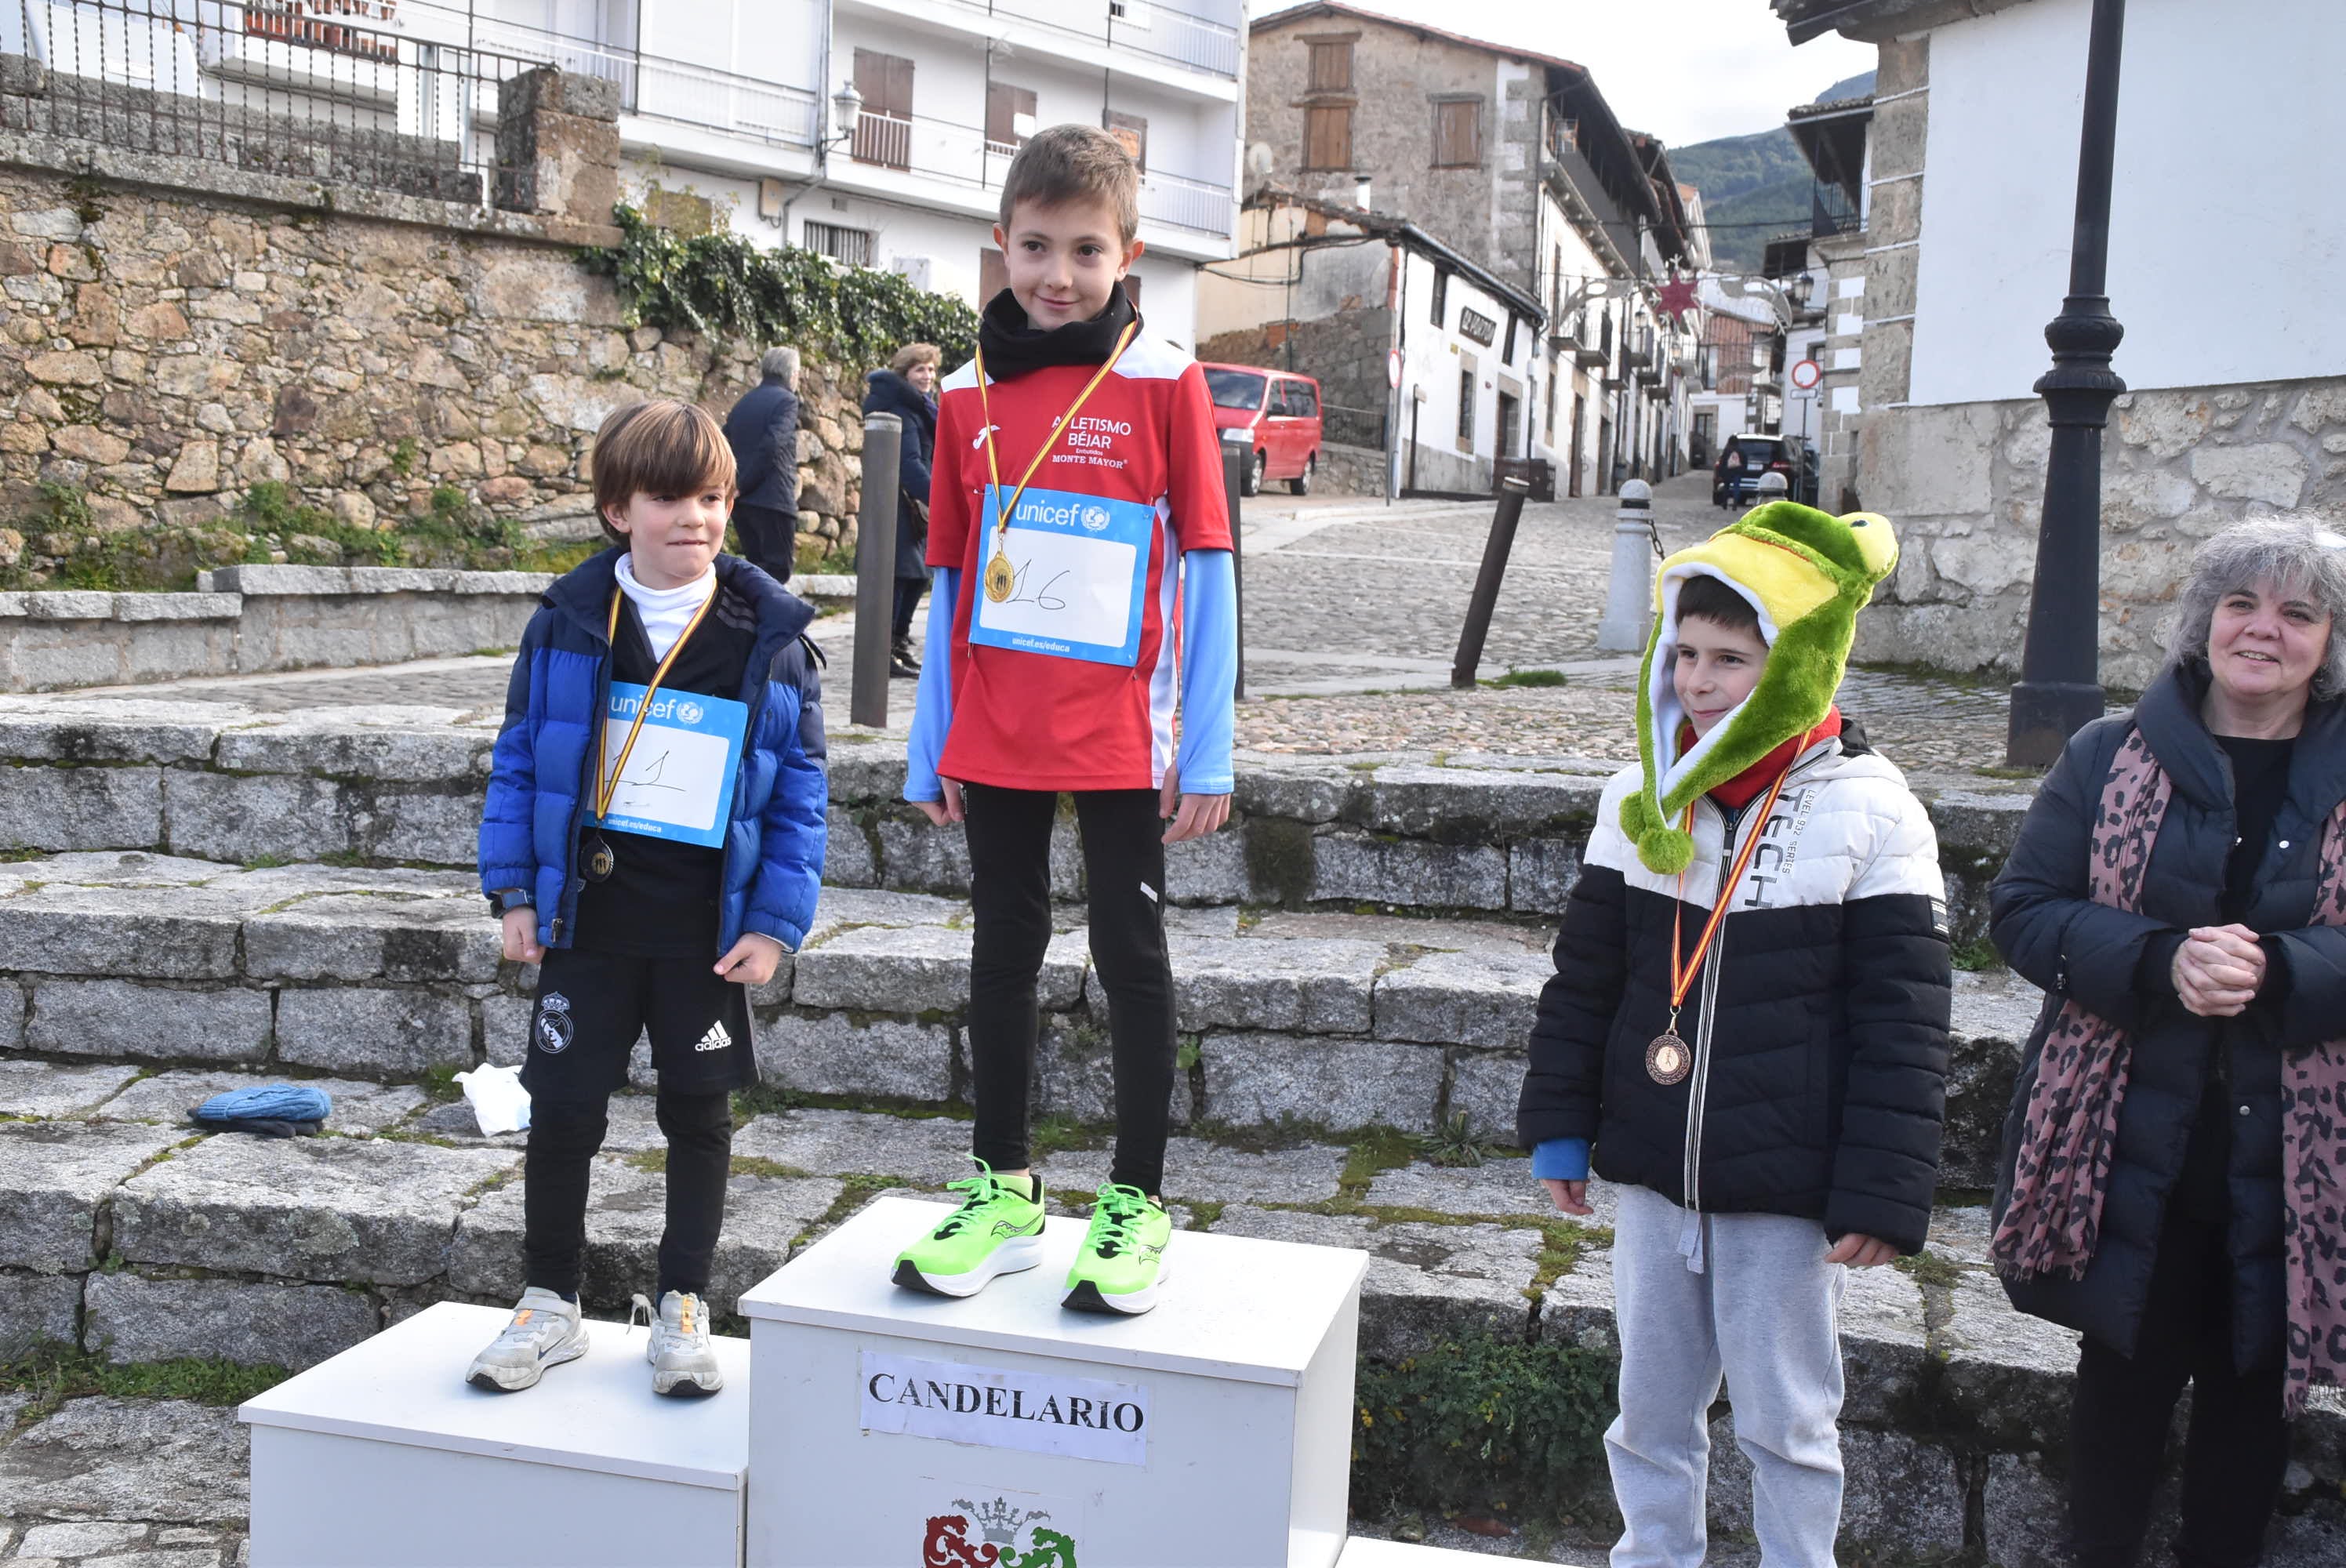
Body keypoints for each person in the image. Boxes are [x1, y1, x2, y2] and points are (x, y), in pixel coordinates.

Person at [1516, 502, 1950, 1568]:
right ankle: (1653, 1556)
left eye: (1734, 661)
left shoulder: (1874, 812)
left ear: (1799, 661)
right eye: (1687, 655)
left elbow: (1904, 1025)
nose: (1700, 684)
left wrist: (1883, 1191)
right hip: (1657, 1177)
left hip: (1785, 1193)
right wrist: (1561, 1127)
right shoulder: (1639, 800)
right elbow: (1585, 986)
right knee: (1649, 1411)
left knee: (1787, 1422)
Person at [896, 123, 1237, 1316]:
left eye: (1085, 250)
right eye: (1035, 247)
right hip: (993, 729)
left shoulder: (1165, 380)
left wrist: (1206, 746)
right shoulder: (957, 393)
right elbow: (944, 581)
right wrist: (925, 738)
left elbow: (1207, 566)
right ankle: (1004, 1190)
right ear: (1000, 246)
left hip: (1119, 737)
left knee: (1129, 958)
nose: (1057, 274)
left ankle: (1134, 1204)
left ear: (1127, 253)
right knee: (1002, 952)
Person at [1990, 518, 2346, 1568]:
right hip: (2129, 1164)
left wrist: (2283, 972)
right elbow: (2022, 910)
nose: (2263, 631)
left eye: (2298, 612)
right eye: (2241, 604)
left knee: (2245, 1451)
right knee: (2112, 1440)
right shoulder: (2107, 754)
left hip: (2291, 1174)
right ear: (2205, 622)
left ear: (2330, 640)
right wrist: (2158, 962)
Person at [469, 398, 829, 1397]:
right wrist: (513, 890)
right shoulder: (568, 622)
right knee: (562, 1108)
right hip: (590, 917)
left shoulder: (769, 637)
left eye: (713, 497)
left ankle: (682, 1302)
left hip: (702, 929)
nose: (696, 518)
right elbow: (518, 764)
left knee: (698, 1115)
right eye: (669, 498)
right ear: (617, 509)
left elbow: (801, 787)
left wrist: (773, 921)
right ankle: (548, 1301)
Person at [862, 343, 941, 678]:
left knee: (916, 577)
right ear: (905, 373)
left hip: (910, 508)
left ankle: (899, 646)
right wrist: (940, 501)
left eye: (932, 369)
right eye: (920, 369)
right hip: (898, 507)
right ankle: (885, 654)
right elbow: (909, 464)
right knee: (900, 578)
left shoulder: (921, 408)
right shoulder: (902, 409)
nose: (927, 376)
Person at [723, 347, 802, 583]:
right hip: (773, 500)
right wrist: (743, 483)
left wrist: (734, 485)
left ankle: (753, 619)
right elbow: (773, 444)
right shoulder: (787, 401)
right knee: (777, 572)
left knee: (757, 570)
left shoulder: (743, 403)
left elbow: (723, 442)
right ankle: (770, 620)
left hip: (744, 504)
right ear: (792, 374)